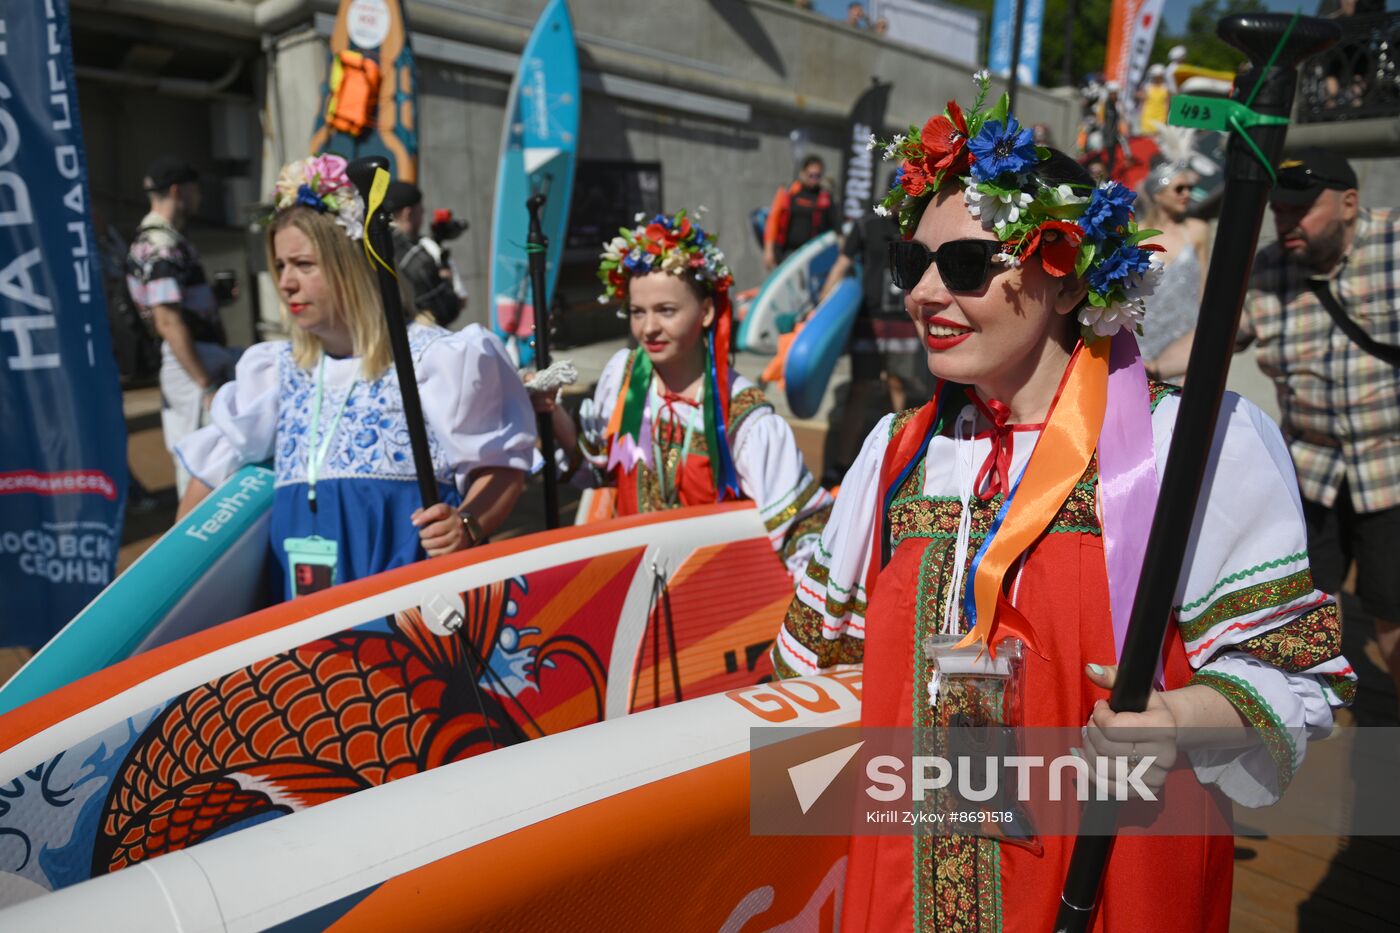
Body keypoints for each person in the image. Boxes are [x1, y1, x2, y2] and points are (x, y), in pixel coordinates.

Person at [773, 76, 1353, 931]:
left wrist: (1178, 720)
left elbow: (1295, 670)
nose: (927, 293)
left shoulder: (1187, 448)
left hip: (1113, 873)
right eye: (913, 264)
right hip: (906, 882)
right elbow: (814, 667)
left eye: (967, 264)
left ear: (1071, 283)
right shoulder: (897, 454)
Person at [175, 155, 535, 602]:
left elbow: (500, 467)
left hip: (405, 610)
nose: (285, 282)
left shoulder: (431, 359)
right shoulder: (275, 372)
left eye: (304, 264)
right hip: (298, 618)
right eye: (280, 265)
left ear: (353, 265)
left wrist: (467, 523)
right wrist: (162, 588)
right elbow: (209, 475)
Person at [547, 210, 833, 578]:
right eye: (637, 312)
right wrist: (551, 411)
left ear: (708, 311)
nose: (648, 328)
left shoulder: (743, 415)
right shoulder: (624, 377)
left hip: (709, 604)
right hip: (630, 588)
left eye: (666, 311)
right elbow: (598, 474)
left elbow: (800, 531)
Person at [1240, 147, 1400, 707]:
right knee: (1303, 601)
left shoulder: (1393, 247)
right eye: (1279, 211)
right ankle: (1309, 710)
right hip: (1312, 467)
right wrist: (1146, 368)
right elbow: (1221, 334)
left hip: (1390, 464)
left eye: (1299, 210)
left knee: (1390, 613)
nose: (1285, 222)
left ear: (1349, 203)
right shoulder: (1269, 265)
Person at [126, 156, 241, 496]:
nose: (200, 197)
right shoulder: (162, 245)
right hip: (190, 364)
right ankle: (197, 533)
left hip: (192, 358)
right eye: (195, 189)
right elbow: (167, 320)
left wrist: (212, 299)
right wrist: (205, 384)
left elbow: (174, 308)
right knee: (200, 460)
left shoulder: (160, 239)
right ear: (178, 190)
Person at [816, 184, 935, 484]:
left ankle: (896, 461)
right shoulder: (866, 226)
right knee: (861, 388)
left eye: (908, 198)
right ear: (888, 197)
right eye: (899, 197)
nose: (903, 204)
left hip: (902, 319)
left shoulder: (916, 227)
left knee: (898, 386)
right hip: (869, 320)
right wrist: (818, 310)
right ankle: (840, 466)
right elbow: (841, 266)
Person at [1136, 145, 1211, 381]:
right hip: (1143, 339)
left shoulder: (1197, 230)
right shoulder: (1136, 234)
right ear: (1158, 193)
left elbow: (1204, 288)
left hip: (1187, 339)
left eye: (1190, 188)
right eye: (1179, 188)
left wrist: (1205, 339)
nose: (1186, 194)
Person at [384, 180, 463, 327]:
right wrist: (446, 276)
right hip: (424, 338)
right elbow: (451, 308)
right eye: (421, 211)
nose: (422, 217)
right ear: (408, 213)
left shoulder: (374, 246)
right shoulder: (425, 253)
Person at [763, 155, 839, 271]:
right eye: (811, 175)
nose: (814, 179)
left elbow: (836, 226)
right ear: (803, 173)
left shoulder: (825, 197)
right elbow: (773, 220)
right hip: (787, 253)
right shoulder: (788, 192)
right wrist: (769, 250)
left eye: (817, 176)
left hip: (812, 255)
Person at [1138, 63, 1171, 134]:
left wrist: (1166, 119)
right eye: (1155, 76)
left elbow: (1167, 104)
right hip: (1147, 118)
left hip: (1161, 118)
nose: (1157, 78)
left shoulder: (1165, 88)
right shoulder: (1147, 87)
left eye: (1159, 76)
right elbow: (1142, 102)